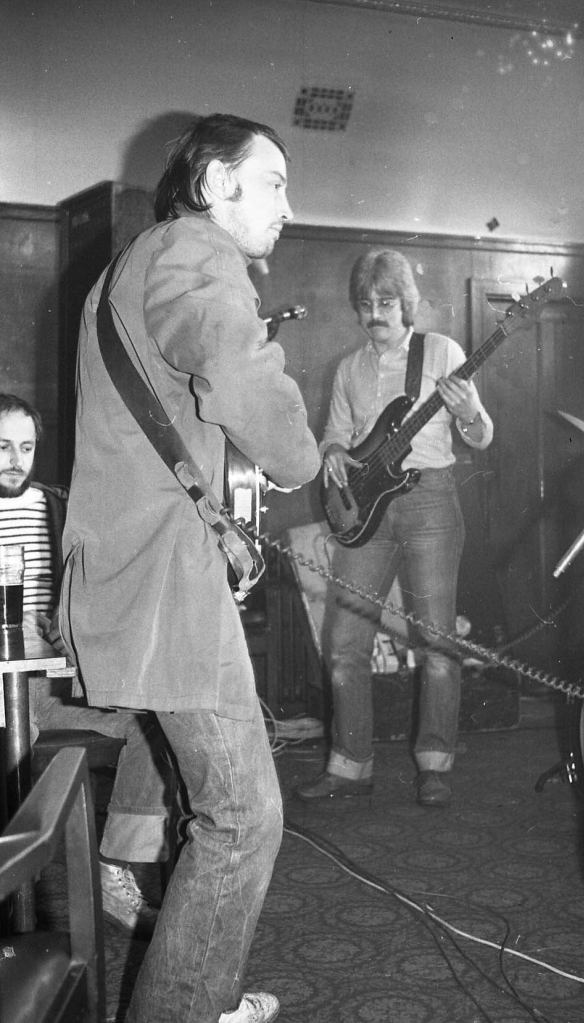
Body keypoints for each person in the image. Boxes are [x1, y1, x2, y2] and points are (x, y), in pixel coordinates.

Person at [60, 113, 320, 1023]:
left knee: (229, 806)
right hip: (163, 583)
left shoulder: (136, 263)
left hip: (153, 567)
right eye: (274, 182)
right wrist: (304, 459)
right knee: (243, 816)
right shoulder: (195, 250)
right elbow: (241, 379)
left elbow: (161, 425)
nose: (290, 205)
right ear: (214, 185)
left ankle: (190, 991)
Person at [296, 249, 494, 808]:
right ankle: (350, 764)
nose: (374, 314)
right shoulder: (348, 369)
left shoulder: (443, 352)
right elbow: (334, 434)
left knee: (436, 641)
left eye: (385, 303)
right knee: (344, 642)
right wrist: (333, 452)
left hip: (431, 502)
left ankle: (434, 764)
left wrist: (468, 409)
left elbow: (482, 436)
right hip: (366, 512)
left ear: (407, 304)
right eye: (365, 305)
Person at [0, 392, 175, 937]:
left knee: (153, 722)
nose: (15, 460)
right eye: (2, 447)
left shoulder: (59, 507)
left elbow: (99, 588)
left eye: (26, 447)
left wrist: (73, 625)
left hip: (48, 686)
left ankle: (113, 865)